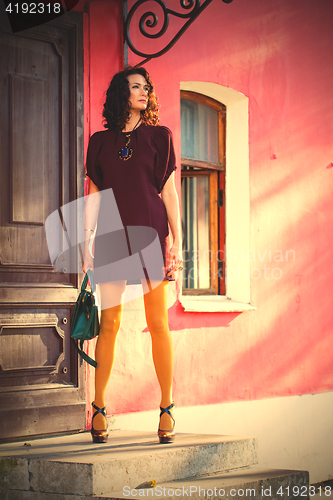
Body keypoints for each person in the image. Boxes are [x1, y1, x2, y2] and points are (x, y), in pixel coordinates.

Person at [82, 66, 182, 445]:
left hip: (152, 235)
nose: (144, 91)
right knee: (109, 325)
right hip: (110, 237)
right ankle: (100, 410)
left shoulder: (160, 137)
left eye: (147, 87)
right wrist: (86, 241)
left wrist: (176, 237)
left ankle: (167, 408)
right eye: (136, 86)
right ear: (120, 94)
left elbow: (169, 194)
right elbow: (94, 194)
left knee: (158, 323)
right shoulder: (100, 142)